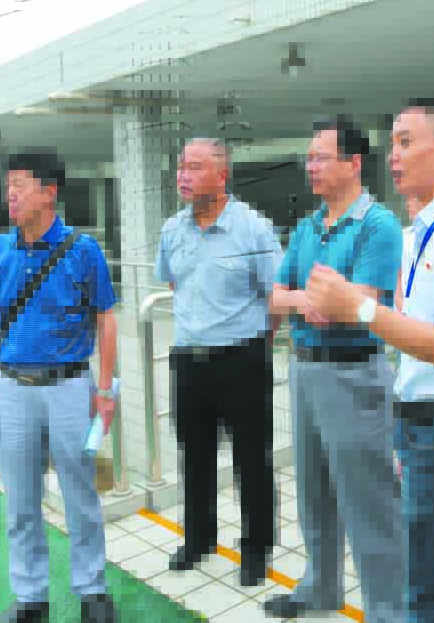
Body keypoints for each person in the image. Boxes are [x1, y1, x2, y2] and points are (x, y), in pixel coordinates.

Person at [305, 99, 434, 623]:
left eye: (406, 141)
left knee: (429, 587)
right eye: (393, 142)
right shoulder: (426, 227)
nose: (393, 155)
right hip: (428, 420)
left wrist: (358, 308)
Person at [0, 149, 118, 623]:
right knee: (21, 498)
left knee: (80, 492)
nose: (10, 194)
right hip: (12, 388)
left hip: (70, 385)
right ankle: (31, 597)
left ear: (49, 192)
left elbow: (106, 318)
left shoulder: (84, 249)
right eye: (8, 185)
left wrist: (105, 391)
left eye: (20, 185)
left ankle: (92, 590)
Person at [264, 117, 405, 622]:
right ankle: (320, 588)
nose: (311, 166)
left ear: (353, 163)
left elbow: (361, 303)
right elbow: (275, 296)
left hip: (353, 374)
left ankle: (389, 609)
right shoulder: (306, 227)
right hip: (304, 370)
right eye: (309, 157)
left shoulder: (378, 226)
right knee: (314, 490)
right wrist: (306, 300)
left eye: (320, 157)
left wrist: (317, 301)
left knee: (370, 500)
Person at [155, 137, 281, 586]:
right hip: (189, 360)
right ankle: (198, 538)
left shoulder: (253, 229)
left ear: (222, 174)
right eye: (181, 166)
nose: (183, 176)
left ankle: (256, 549)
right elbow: (175, 285)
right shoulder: (172, 230)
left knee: (252, 458)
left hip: (242, 359)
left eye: (195, 167)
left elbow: (275, 297)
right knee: (194, 454)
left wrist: (251, 340)